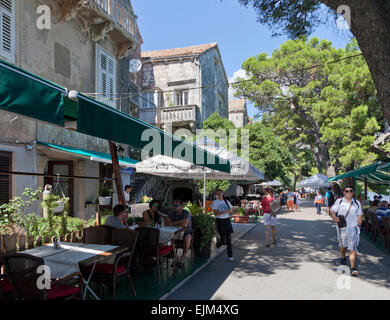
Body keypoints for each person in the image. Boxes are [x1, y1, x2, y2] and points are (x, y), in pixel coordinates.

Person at [329, 186, 362, 276]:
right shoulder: (339, 201)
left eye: (351, 191)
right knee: (343, 246)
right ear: (344, 192)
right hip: (342, 227)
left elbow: (359, 215)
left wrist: (359, 225)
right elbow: (332, 211)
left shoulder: (357, 203)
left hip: (353, 227)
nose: (349, 192)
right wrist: (334, 217)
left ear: (353, 192)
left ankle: (352, 268)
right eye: (347, 191)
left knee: (353, 247)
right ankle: (343, 257)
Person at [165, 199, 192, 268]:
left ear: (181, 206)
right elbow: (166, 224)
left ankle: (182, 259)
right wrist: (179, 222)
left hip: (186, 231)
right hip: (175, 232)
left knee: (187, 239)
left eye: (176, 205)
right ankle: (175, 257)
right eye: (173, 205)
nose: (174, 207)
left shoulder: (186, 213)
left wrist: (173, 223)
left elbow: (185, 224)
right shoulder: (171, 213)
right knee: (170, 239)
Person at [212, 189, 235, 261]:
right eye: (217, 193)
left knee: (229, 239)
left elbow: (231, 211)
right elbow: (215, 213)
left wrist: (230, 212)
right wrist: (224, 211)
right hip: (220, 220)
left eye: (220, 193)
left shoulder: (226, 201)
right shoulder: (215, 202)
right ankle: (218, 245)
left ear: (223, 193)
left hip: (227, 220)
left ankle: (230, 255)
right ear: (216, 194)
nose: (219, 195)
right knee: (223, 238)